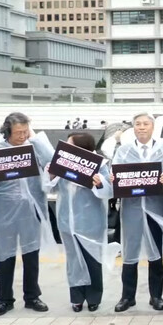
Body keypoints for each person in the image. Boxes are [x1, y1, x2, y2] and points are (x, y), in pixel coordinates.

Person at [0, 112, 56, 317]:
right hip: (5, 208)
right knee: (6, 255)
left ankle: (32, 296)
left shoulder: (34, 148)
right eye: (18, 132)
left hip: (31, 207)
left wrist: (35, 139)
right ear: (7, 131)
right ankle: (5, 299)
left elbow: (52, 161)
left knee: (31, 253)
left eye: (25, 131)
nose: (22, 136)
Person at [111, 112, 163, 313]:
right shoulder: (124, 151)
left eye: (145, 124)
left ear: (152, 127)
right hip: (131, 207)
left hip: (155, 206)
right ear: (133, 128)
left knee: (156, 252)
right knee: (129, 251)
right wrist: (113, 179)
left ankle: (156, 296)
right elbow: (115, 171)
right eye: (138, 124)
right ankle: (127, 297)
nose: (141, 127)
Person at [45, 132, 112, 312]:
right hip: (67, 221)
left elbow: (109, 191)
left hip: (91, 222)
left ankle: (93, 297)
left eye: (70, 144)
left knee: (92, 260)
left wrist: (99, 183)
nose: (66, 148)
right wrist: (50, 174)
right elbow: (49, 186)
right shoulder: (62, 163)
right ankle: (76, 298)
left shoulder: (100, 165)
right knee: (74, 261)